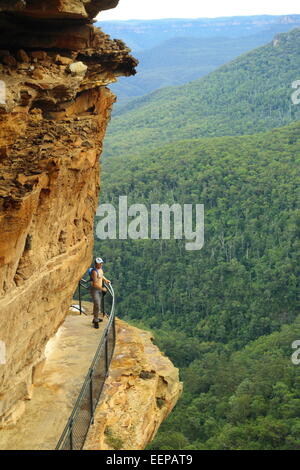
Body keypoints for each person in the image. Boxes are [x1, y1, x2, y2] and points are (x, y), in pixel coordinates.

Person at [90, 257, 111, 329]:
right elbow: (94, 284)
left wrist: (106, 280)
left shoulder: (100, 269)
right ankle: (96, 321)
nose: (101, 264)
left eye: (101, 263)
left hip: (99, 289)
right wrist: (102, 288)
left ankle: (95, 318)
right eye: (99, 263)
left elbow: (101, 276)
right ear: (96, 264)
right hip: (95, 290)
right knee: (97, 305)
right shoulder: (94, 272)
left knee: (97, 305)